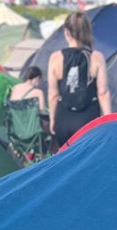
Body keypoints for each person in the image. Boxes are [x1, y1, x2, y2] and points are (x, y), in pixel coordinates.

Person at [47, 12, 111, 149]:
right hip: (87, 119)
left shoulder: (55, 58)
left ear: (66, 32)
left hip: (63, 118)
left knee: (65, 158)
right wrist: (108, 119)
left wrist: (52, 118)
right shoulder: (96, 57)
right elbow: (103, 93)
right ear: (87, 31)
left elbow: (53, 94)